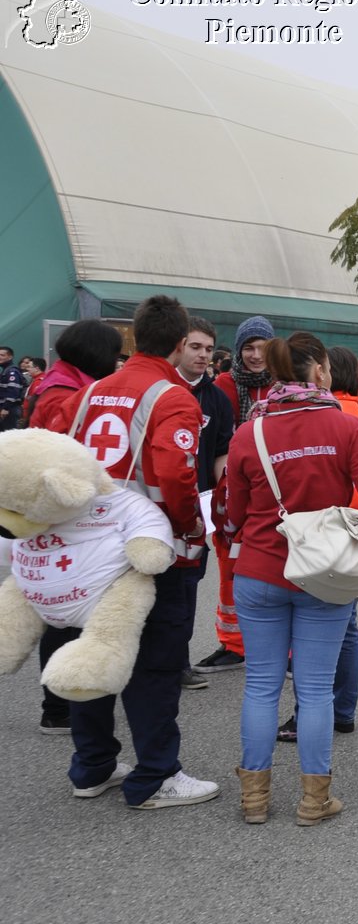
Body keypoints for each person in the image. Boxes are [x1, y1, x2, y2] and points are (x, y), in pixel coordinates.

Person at [227, 333, 358, 825]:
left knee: (262, 685)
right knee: (313, 690)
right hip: (322, 575)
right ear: (321, 370)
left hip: (260, 571)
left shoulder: (251, 432)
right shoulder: (347, 427)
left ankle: (254, 798)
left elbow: (235, 512)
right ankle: (313, 799)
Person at [59, 295, 215, 808]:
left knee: (97, 652)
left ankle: (92, 766)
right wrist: (191, 524)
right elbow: (174, 473)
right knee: (154, 664)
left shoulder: (92, 392)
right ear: (177, 342)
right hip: (146, 549)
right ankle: (156, 775)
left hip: (89, 546)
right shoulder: (171, 396)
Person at [24, 320, 125, 733]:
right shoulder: (67, 394)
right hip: (66, 518)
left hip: (53, 516)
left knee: (60, 611)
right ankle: (59, 705)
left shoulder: (55, 383)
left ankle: (61, 702)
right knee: (66, 614)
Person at [278, 346, 358, 744]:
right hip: (352, 535)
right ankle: (343, 710)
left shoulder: (325, 417)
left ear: (324, 374)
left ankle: (312, 713)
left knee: (313, 632)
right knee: (346, 627)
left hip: (323, 535)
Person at [200, 315, 276, 673]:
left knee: (280, 572)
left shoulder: (285, 384)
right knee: (230, 567)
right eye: (249, 347)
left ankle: (284, 651)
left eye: (263, 347)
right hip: (232, 490)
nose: (256, 355)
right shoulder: (224, 386)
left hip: (276, 492)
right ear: (238, 349)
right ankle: (234, 644)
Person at [172, 317, 234, 692]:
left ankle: (178, 662)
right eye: (196, 347)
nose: (203, 355)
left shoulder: (215, 398)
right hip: (155, 506)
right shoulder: (160, 389)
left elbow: (221, 453)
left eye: (209, 349)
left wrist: (224, 498)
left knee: (188, 585)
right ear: (179, 346)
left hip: (197, 506)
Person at [0, 346, 25, 431]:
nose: (0, 357)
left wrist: (5, 408)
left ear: (10, 357)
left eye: (2, 355)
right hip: (6, 409)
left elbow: (13, 392)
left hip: (10, 410)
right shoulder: (5, 370)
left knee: (8, 436)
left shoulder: (12, 372)